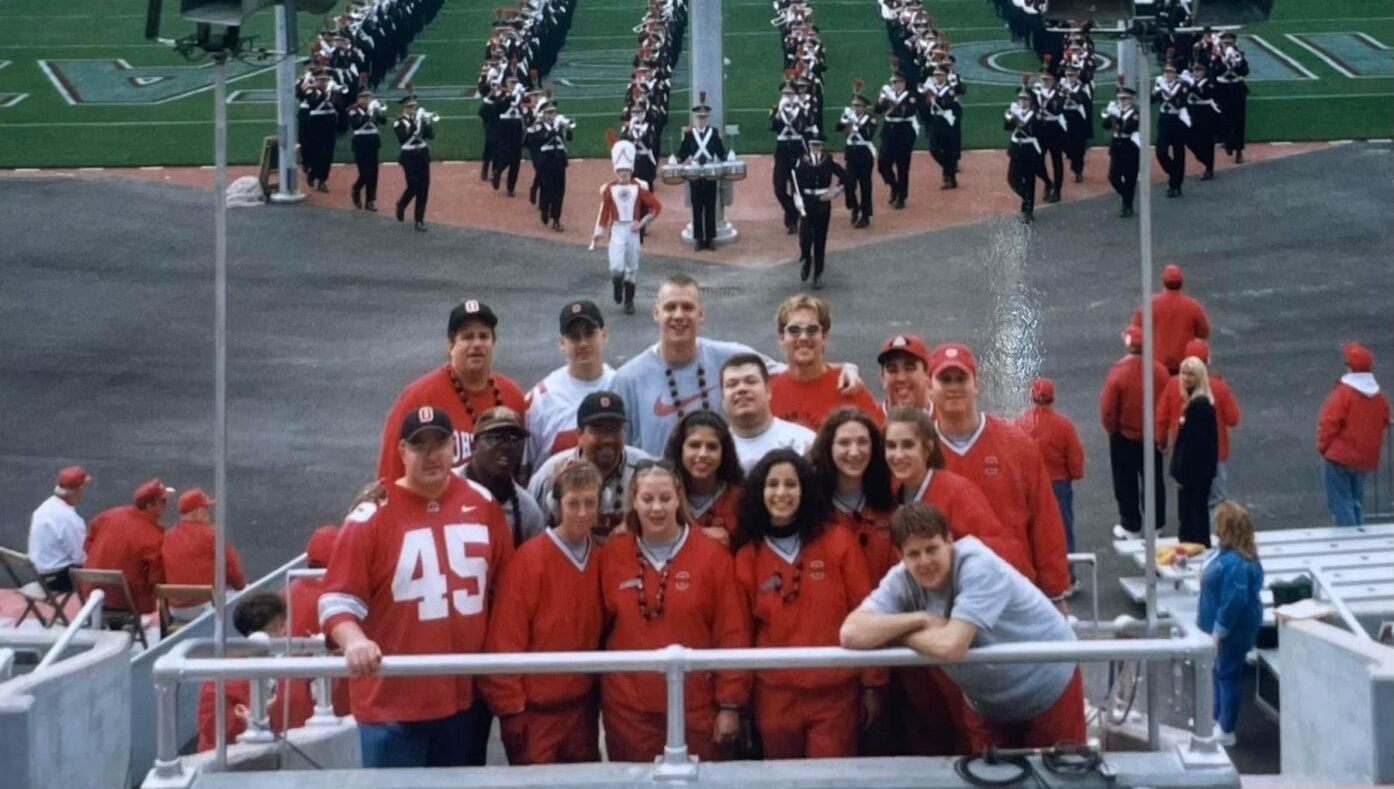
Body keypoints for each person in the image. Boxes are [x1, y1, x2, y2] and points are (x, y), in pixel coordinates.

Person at [320, 406, 514, 768]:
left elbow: (507, 589)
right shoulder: (370, 518)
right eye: (419, 445)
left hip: (462, 700)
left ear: (453, 448)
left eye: (439, 443)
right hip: (392, 703)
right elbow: (336, 600)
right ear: (402, 452)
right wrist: (356, 641)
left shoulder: (482, 503)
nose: (431, 455)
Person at [841, 502, 1086, 750]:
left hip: (1048, 685)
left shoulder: (979, 566)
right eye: (913, 554)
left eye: (932, 549)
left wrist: (898, 635)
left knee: (1063, 776)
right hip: (987, 701)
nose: (924, 561)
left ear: (949, 541)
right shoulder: (901, 578)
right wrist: (920, 619)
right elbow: (850, 633)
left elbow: (952, 646)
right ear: (899, 555)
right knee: (986, 778)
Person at [610, 274, 861, 456]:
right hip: (661, 504)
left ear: (701, 314)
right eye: (670, 308)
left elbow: (797, 371)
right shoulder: (627, 379)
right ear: (656, 313)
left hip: (720, 497)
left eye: (687, 307)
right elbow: (620, 451)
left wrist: (845, 368)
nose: (678, 315)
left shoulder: (733, 357)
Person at [598, 461, 749, 762]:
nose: (657, 508)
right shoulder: (613, 555)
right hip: (629, 710)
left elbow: (732, 633)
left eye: (665, 498)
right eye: (647, 499)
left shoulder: (712, 557)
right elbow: (596, 629)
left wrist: (730, 705)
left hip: (697, 708)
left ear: (678, 498)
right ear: (634, 500)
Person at [735, 450, 882, 758]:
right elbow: (739, 635)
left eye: (791, 484)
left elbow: (868, 612)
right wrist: (738, 701)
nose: (781, 493)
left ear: (805, 490)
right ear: (759, 492)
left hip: (835, 692)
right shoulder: (748, 556)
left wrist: (873, 683)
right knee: (783, 778)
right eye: (772, 484)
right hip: (774, 694)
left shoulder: (838, 541)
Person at [482, 461, 606, 764]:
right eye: (573, 503)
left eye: (589, 503)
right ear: (556, 505)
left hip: (582, 708)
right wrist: (511, 708)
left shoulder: (603, 558)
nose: (581, 512)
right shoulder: (529, 560)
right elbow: (504, 640)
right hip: (536, 712)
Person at [928, 343, 1071, 603]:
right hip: (943, 597)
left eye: (961, 378)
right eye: (944, 379)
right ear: (929, 387)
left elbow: (1045, 521)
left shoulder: (1016, 444)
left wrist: (1055, 591)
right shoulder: (916, 449)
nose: (953, 387)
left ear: (976, 383)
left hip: (1013, 591)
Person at [376, 299, 527, 481]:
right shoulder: (418, 397)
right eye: (467, 337)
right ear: (450, 346)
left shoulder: (512, 396)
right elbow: (391, 471)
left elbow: (524, 466)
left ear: (493, 343)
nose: (477, 344)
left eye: (484, 336)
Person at [196, 593, 314, 751]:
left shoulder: (217, 677)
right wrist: (255, 716)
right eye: (282, 626)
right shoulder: (219, 682)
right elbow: (215, 731)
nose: (286, 631)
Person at [528, 391, 651, 537]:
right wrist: (558, 494)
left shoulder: (644, 468)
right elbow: (533, 531)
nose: (608, 439)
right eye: (598, 430)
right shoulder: (549, 473)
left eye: (614, 429)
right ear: (579, 434)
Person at [1197, 501, 1263, 747]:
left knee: (1227, 673)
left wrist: (1219, 630)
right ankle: (1218, 719)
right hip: (1227, 626)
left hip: (1232, 629)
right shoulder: (1234, 554)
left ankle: (1226, 727)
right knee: (1220, 671)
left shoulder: (1234, 562)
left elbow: (1233, 599)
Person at [524, 300, 616, 472]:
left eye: (589, 334)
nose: (583, 343)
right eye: (574, 337)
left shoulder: (622, 386)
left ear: (604, 335)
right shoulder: (541, 398)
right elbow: (525, 466)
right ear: (561, 343)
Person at [768, 294, 881, 431]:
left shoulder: (848, 387)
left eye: (812, 330)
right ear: (781, 338)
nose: (803, 337)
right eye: (794, 330)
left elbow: (878, 439)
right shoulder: (769, 394)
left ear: (824, 337)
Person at [1102, 325, 1170, 538]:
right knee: (1154, 480)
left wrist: (1112, 430)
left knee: (1125, 481)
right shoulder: (1160, 371)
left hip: (1124, 437)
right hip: (1152, 437)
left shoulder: (1118, 374)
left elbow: (1108, 409)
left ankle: (1130, 524)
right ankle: (1155, 523)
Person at [1015, 378, 1085, 579]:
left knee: (1031, 529)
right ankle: (1067, 575)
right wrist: (1074, 473)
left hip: (1030, 484)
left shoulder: (1020, 423)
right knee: (1062, 530)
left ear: (1032, 396)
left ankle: (1033, 574)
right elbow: (1075, 456)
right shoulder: (1064, 425)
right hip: (1058, 484)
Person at [1157, 339, 1240, 507]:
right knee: (1215, 500)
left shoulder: (1173, 384)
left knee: (1188, 500)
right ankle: (1212, 531)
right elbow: (1233, 419)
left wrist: (1162, 443)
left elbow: (1161, 418)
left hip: (1185, 454)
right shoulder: (1218, 386)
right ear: (1207, 361)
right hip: (1215, 454)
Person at [1316, 342, 1389, 526]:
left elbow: (1329, 422)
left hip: (1338, 457)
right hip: (1363, 459)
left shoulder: (1343, 393)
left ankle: (1347, 544)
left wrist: (1324, 448)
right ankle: (1359, 537)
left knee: (1341, 505)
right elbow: (1385, 418)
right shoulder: (1378, 395)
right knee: (1356, 502)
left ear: (1350, 367)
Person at [83, 478, 171, 615]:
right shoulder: (153, 535)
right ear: (149, 506)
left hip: (92, 591)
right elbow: (156, 576)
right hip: (126, 600)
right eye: (163, 501)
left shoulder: (108, 516)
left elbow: (88, 543)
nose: (167, 505)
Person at [593, 142, 662, 315]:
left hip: (633, 230)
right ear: (615, 172)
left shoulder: (638, 188)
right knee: (616, 266)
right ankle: (617, 284)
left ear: (631, 171)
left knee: (632, 267)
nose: (623, 174)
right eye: (620, 171)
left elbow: (656, 206)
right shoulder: (609, 189)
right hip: (617, 229)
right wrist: (600, 231)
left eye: (627, 171)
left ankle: (629, 301)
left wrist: (643, 222)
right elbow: (605, 211)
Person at [161, 488, 248, 622]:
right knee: (248, 594)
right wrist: (241, 587)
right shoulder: (212, 535)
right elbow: (233, 570)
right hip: (204, 609)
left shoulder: (167, 535)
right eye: (206, 510)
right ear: (197, 512)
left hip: (175, 610)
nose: (208, 514)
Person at [720, 353, 816, 473]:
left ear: (768, 392)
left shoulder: (803, 442)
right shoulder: (714, 449)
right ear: (723, 400)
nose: (741, 389)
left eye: (750, 381)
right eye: (732, 384)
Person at [465, 407, 546, 547]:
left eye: (514, 439)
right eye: (495, 438)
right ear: (473, 446)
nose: (507, 446)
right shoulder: (443, 488)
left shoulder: (527, 511)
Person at [664, 411, 745, 550]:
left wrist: (732, 543)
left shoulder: (741, 498)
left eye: (712, 447)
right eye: (694, 445)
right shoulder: (663, 496)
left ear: (724, 453)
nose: (703, 454)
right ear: (680, 449)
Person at [1171, 357, 1220, 546]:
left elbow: (1193, 446)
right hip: (1198, 472)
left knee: (1192, 514)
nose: (1185, 378)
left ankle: (1194, 546)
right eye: (1183, 373)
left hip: (1193, 473)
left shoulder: (1198, 406)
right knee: (1196, 512)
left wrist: (1181, 472)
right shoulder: (1199, 403)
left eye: (1191, 374)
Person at [1131, 263, 1211, 374]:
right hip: (1183, 366)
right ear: (1181, 282)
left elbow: (1135, 331)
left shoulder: (1149, 305)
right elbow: (1204, 333)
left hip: (1155, 365)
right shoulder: (1193, 306)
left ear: (1163, 281)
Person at [792, 136, 847, 289]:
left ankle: (818, 273)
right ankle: (807, 259)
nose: (815, 148)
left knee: (820, 239)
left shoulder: (828, 161)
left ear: (821, 147)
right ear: (809, 146)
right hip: (807, 201)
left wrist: (834, 192)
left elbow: (844, 176)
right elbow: (794, 181)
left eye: (818, 145)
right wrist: (797, 198)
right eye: (812, 145)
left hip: (823, 202)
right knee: (805, 237)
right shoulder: (802, 161)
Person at [27, 465, 90, 593]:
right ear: (79, 489)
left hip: (39, 570)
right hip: (57, 577)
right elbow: (80, 557)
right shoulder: (69, 519)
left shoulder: (45, 507)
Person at [676, 96, 727, 251]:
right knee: (697, 207)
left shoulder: (714, 132)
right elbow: (682, 153)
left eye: (704, 117)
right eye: (699, 117)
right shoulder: (689, 134)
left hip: (710, 172)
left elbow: (721, 152)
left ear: (707, 118)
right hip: (695, 173)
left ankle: (710, 238)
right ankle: (699, 238)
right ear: (695, 118)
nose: (701, 120)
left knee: (711, 206)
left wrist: (726, 157)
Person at [525, 102, 573, 232]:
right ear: (543, 114)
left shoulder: (559, 126)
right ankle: (545, 209)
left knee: (559, 191)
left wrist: (568, 129)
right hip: (545, 162)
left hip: (559, 162)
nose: (552, 115)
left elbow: (569, 138)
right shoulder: (539, 127)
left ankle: (556, 219)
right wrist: (554, 130)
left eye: (553, 112)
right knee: (547, 189)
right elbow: (539, 138)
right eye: (549, 113)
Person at [875, 69, 916, 210]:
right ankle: (894, 186)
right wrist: (881, 100)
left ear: (903, 83)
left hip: (904, 132)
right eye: (892, 82)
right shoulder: (887, 95)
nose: (894, 84)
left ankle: (902, 197)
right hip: (888, 132)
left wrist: (893, 102)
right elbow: (877, 110)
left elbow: (906, 112)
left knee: (902, 167)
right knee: (882, 164)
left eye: (896, 82)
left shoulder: (910, 95)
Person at [393, 94, 435, 231]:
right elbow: (403, 139)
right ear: (404, 107)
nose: (412, 109)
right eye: (409, 107)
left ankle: (419, 220)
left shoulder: (420, 119)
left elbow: (431, 136)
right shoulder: (398, 121)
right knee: (413, 185)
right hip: (409, 155)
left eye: (414, 106)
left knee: (424, 188)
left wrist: (427, 123)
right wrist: (414, 124)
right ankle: (402, 204)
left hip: (422, 154)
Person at [836, 87, 877, 228]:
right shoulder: (849, 116)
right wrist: (844, 120)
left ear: (864, 107)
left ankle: (865, 216)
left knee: (865, 186)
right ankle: (854, 206)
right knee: (849, 184)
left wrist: (856, 124)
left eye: (858, 105)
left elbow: (868, 135)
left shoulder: (870, 119)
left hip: (864, 153)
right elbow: (837, 128)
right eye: (854, 105)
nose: (855, 108)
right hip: (851, 154)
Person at [1004, 88, 1043, 223]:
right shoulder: (1015, 111)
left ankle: (1027, 211)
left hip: (1029, 148)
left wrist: (1023, 124)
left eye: (1025, 99)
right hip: (1016, 148)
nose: (1022, 101)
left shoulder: (1035, 114)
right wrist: (1011, 119)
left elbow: (1036, 130)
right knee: (1012, 178)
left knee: (1029, 180)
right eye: (1020, 98)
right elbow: (1007, 127)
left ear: (1031, 101)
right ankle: (1026, 198)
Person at [1102, 84, 1140, 218]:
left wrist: (1118, 117)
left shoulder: (1135, 113)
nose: (1122, 102)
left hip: (1129, 145)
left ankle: (1127, 205)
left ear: (1131, 99)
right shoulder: (1117, 110)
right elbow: (1105, 126)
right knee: (1113, 177)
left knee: (1130, 177)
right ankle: (1126, 197)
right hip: (1117, 145)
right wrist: (1109, 115)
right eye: (1120, 99)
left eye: (1125, 99)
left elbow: (1128, 129)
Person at [922, 64, 961, 190]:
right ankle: (949, 170)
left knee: (948, 149)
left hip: (947, 120)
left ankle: (950, 178)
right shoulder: (931, 88)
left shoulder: (950, 88)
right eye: (936, 75)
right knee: (933, 149)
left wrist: (934, 98)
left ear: (945, 76)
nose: (937, 77)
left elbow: (947, 102)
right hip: (935, 119)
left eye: (940, 75)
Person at [1211, 31, 1248, 164]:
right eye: (1224, 39)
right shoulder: (1216, 55)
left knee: (1239, 120)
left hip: (1237, 88)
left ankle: (1238, 151)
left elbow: (1245, 71)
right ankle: (1227, 141)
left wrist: (1236, 64)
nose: (1227, 41)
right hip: (1222, 89)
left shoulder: (1239, 54)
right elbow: (1213, 73)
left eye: (1230, 39)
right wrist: (1223, 62)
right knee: (1224, 118)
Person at [1153, 62, 1189, 199]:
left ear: (1176, 74)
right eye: (1166, 72)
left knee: (1178, 152)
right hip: (1164, 120)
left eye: (1171, 72)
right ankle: (1174, 174)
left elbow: (1179, 103)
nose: (1168, 74)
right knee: (1161, 151)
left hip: (1177, 120)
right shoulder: (1161, 84)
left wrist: (1165, 90)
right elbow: (1151, 100)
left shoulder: (1182, 86)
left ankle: (1176, 185)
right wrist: (1155, 91)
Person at [877, 333, 934, 419]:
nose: (901, 378)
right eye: (892, 370)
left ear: (927, 374)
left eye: (909, 368)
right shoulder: (869, 422)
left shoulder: (946, 421)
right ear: (882, 377)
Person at [348, 90, 386, 211]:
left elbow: (383, 122)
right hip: (360, 142)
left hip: (373, 141)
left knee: (373, 172)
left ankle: (370, 200)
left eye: (367, 97)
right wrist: (368, 113)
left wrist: (378, 112)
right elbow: (356, 125)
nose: (366, 100)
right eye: (363, 97)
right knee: (364, 172)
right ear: (358, 98)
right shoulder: (353, 109)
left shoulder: (372, 108)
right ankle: (356, 188)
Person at [1185, 62, 1219, 181]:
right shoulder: (1189, 82)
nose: (1196, 73)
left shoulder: (1208, 83)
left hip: (1206, 114)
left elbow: (1204, 94)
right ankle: (1203, 159)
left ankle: (1209, 168)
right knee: (1189, 140)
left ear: (1204, 72)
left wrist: (1191, 85)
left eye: (1199, 70)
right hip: (1192, 112)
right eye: (1194, 70)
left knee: (1207, 142)